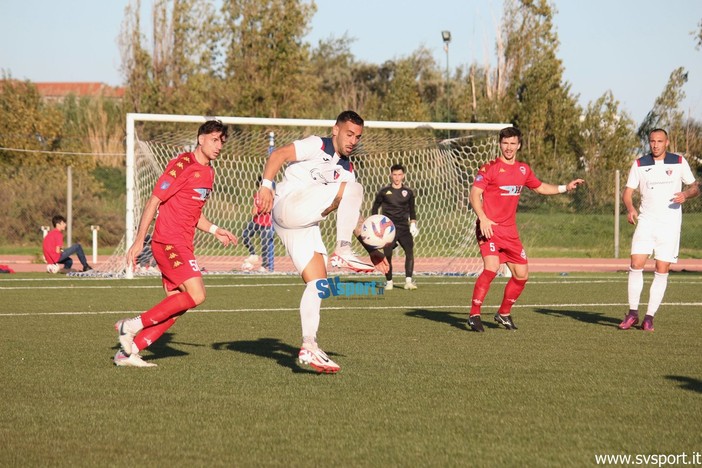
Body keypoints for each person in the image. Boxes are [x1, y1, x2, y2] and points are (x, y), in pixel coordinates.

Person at [257, 110, 389, 373]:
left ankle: (309, 345)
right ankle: (342, 251)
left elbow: (352, 216)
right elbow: (278, 155)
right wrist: (265, 185)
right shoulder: (317, 145)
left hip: (302, 224)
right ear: (335, 130)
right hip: (287, 204)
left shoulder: (348, 171)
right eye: (349, 134)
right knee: (356, 189)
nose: (353, 140)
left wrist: (373, 250)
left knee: (318, 284)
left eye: (358, 137)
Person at [114, 120, 238, 367]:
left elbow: (194, 214)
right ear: (201, 138)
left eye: (221, 141)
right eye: (214, 139)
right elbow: (154, 201)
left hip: (183, 243)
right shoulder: (182, 164)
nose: (218, 146)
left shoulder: (209, 173)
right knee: (198, 294)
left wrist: (215, 230)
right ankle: (130, 326)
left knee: (175, 308)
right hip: (168, 242)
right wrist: (139, 241)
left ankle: (128, 354)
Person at [467, 126, 584, 332]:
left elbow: (540, 187)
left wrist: (565, 187)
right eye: (505, 143)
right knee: (491, 268)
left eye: (513, 143)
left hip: (510, 232)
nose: (509, 147)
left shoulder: (523, 170)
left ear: (519, 145)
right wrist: (483, 218)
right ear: (500, 144)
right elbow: (474, 194)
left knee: (522, 275)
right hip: (490, 228)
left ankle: (503, 314)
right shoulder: (489, 168)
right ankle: (474, 314)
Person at [619, 128, 699, 332]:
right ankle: (632, 313)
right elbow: (627, 193)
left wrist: (686, 195)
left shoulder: (679, 161)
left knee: (661, 269)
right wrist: (630, 208)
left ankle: (649, 317)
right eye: (652, 141)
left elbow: (694, 187)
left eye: (659, 141)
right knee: (636, 263)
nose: (655, 145)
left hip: (670, 225)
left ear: (667, 142)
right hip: (646, 221)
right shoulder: (639, 163)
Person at [371, 164, 418, 290]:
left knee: (409, 251)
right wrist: (375, 224)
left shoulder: (408, 192)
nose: (397, 177)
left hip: (403, 227)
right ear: (391, 175)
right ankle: (389, 282)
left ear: (403, 176)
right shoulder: (384, 192)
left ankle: (408, 281)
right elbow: (375, 207)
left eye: (399, 175)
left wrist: (413, 223)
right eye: (395, 174)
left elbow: (412, 209)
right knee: (387, 255)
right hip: (388, 229)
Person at [241, 177, 275, 272]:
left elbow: (268, 208)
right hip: (256, 221)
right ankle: (253, 254)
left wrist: (270, 189)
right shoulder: (257, 195)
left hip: (266, 223)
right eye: (259, 185)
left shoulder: (270, 195)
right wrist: (255, 210)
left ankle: (264, 266)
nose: (260, 187)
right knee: (245, 235)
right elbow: (254, 209)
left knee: (265, 244)